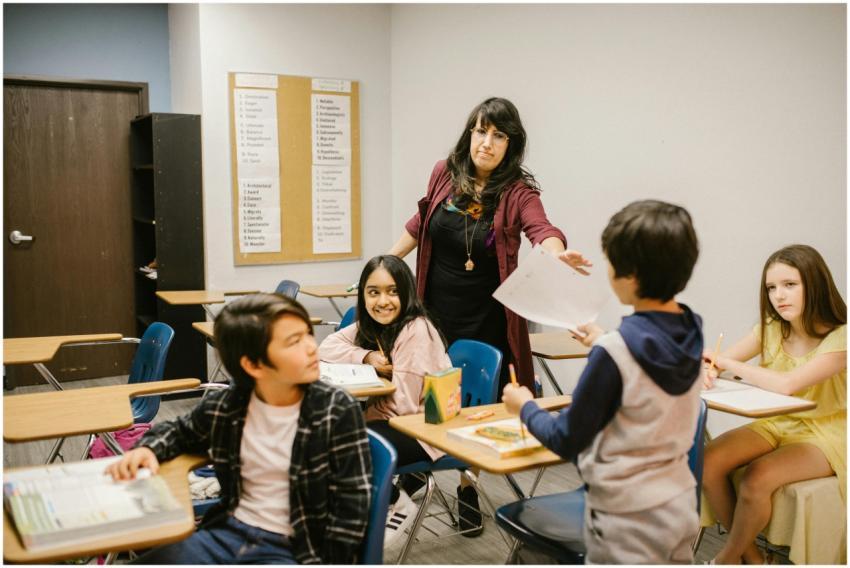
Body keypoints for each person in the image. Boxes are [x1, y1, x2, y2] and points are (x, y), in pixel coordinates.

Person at [503, 199, 704, 564]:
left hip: (624, 518)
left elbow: (566, 439)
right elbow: (646, 369)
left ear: (629, 276)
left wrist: (524, 406)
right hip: (678, 504)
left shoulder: (614, 353)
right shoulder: (690, 330)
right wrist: (604, 339)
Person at [105, 294, 372, 564]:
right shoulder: (229, 406)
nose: (312, 347)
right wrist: (149, 448)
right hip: (228, 532)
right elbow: (179, 431)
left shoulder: (335, 409)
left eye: (307, 335)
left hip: (298, 548)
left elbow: (352, 506)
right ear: (253, 365)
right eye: (294, 342)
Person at [388, 96, 591, 395]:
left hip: (487, 320)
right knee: (429, 401)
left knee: (480, 404)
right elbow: (424, 220)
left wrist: (557, 254)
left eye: (499, 136)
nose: (487, 143)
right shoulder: (444, 172)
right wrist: (384, 263)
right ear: (470, 133)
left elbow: (541, 229)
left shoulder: (518, 193)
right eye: (481, 131)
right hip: (435, 313)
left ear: (511, 145)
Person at [701, 244, 846, 565]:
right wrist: (707, 370)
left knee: (757, 476)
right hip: (778, 422)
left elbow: (788, 385)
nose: (779, 296)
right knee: (708, 460)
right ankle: (752, 559)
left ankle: (725, 559)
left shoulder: (842, 337)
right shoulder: (770, 328)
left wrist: (724, 361)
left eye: (790, 285)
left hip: (825, 432)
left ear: (815, 284)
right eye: (771, 288)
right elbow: (716, 362)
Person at [319, 255, 453, 546]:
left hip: (422, 427)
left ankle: (394, 504)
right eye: (373, 292)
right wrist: (365, 356)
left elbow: (404, 405)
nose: (383, 300)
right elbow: (327, 346)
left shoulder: (416, 329)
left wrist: (362, 417)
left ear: (407, 293)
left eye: (393, 291)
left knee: (340, 445)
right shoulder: (371, 323)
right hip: (393, 417)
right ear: (363, 295)